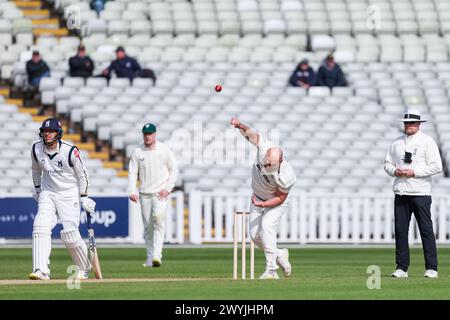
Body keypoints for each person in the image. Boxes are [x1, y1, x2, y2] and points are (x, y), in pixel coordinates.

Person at [29, 118, 96, 280]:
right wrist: (38, 191)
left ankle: (83, 267)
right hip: (48, 191)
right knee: (40, 226)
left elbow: (82, 175)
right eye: (45, 131)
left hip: (69, 192)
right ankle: (41, 270)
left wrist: (84, 197)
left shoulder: (70, 150)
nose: (48, 134)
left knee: (70, 233)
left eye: (51, 131)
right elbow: (36, 171)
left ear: (58, 133)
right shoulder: (36, 149)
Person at [230, 117, 296, 279]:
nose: (265, 167)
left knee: (267, 227)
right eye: (265, 163)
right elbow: (251, 135)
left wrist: (264, 203)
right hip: (257, 198)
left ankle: (271, 270)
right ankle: (280, 255)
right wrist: (240, 125)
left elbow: (280, 198)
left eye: (270, 165)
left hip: (275, 202)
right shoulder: (264, 147)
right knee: (255, 235)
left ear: (280, 161)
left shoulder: (287, 176)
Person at [384, 110, 442, 279]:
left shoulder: (427, 142)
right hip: (401, 192)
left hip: (420, 192)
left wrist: (414, 172)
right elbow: (387, 163)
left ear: (419, 124)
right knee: (401, 231)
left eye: (411, 123)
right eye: (406, 123)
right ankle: (402, 268)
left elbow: (436, 166)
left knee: (426, 230)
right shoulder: (397, 143)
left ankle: (432, 268)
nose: (408, 125)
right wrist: (395, 170)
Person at [128, 123, 179, 268]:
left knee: (158, 220)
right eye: (145, 134)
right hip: (144, 193)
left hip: (160, 193)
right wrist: (132, 190)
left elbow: (174, 169)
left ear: (155, 134)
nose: (147, 136)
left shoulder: (164, 150)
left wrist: (168, 188)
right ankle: (150, 258)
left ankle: (157, 256)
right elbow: (132, 172)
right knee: (148, 227)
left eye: (150, 133)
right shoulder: (138, 151)